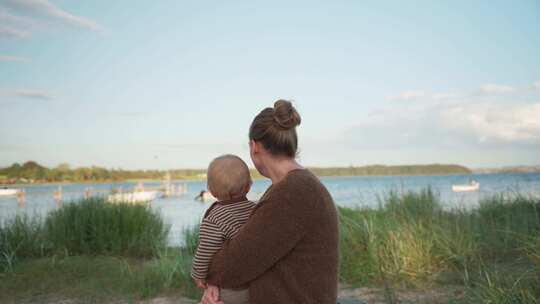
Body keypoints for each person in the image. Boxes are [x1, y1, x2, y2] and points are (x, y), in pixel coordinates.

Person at [201, 100, 339, 304]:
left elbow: (236, 263)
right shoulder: (294, 186)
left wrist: (207, 270)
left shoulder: (294, 192)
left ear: (254, 147)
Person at [191, 154, 256, 304]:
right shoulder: (256, 209)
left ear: (211, 191)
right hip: (255, 281)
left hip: (231, 286)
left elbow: (206, 250)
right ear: (249, 185)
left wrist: (198, 274)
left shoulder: (215, 218)